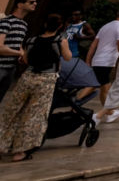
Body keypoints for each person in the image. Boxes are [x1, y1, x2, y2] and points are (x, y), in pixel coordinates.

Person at [0, 13, 70, 161]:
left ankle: (2, 144)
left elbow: (26, 59)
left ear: (45, 24)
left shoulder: (31, 40)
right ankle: (21, 151)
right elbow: (68, 57)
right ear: (60, 26)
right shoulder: (60, 40)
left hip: (27, 77)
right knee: (34, 114)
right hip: (46, 79)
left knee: (12, 110)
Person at [87, 5, 119, 118]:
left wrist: (88, 60)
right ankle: (76, 103)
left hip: (97, 60)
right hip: (106, 61)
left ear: (117, 13)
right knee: (96, 86)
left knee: (104, 88)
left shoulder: (105, 26)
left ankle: (110, 112)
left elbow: (93, 45)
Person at [0, 0, 37, 101]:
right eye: (31, 2)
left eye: (35, 2)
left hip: (11, 68)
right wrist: (20, 53)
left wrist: (21, 53)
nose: (35, 4)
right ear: (20, 5)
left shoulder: (24, 25)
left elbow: (18, 44)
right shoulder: (6, 22)